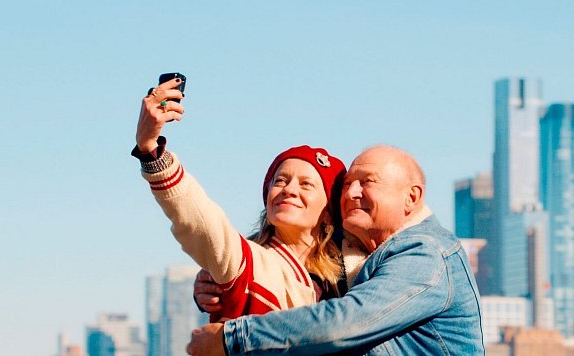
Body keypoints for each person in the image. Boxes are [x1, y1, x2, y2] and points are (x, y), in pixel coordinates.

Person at [187, 145, 485, 355]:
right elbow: (294, 246)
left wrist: (233, 339)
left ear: (411, 197)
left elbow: (346, 321)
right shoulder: (359, 258)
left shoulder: (425, 253)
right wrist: (224, 278)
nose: (352, 193)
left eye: (367, 183)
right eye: (347, 185)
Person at [132, 77, 351, 322]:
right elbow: (202, 222)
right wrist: (150, 149)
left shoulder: (351, 277)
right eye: (279, 180)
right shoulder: (246, 262)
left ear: (329, 211)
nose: (289, 189)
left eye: (306, 184)